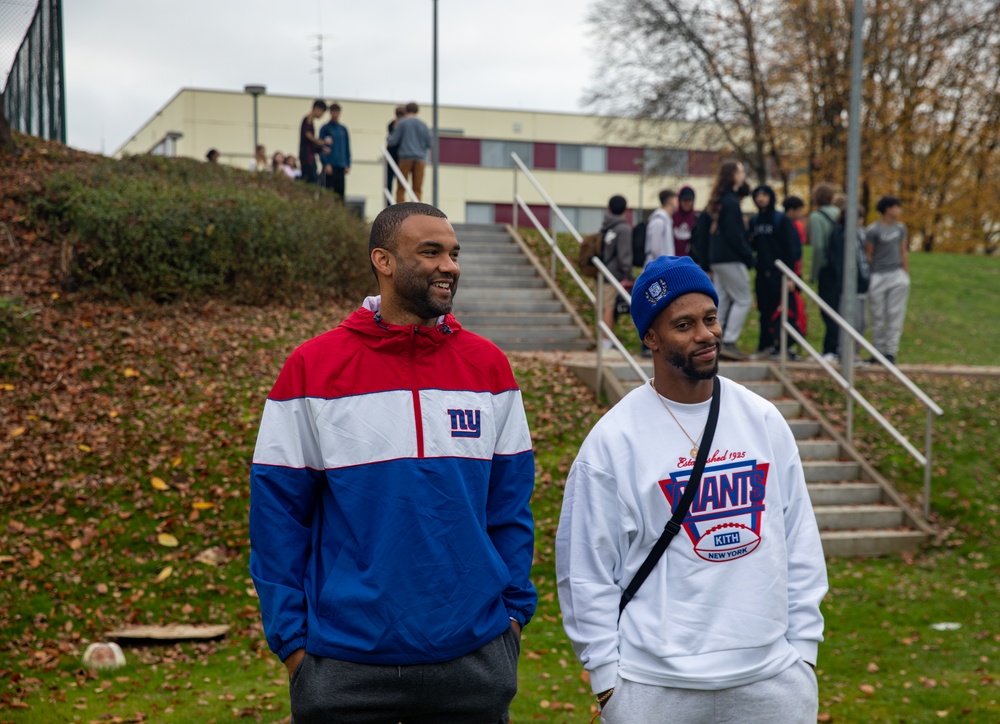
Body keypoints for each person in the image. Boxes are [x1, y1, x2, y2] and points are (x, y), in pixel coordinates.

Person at [249, 202, 537, 723]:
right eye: (430, 252)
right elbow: (277, 519)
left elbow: (511, 508)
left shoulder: (488, 366)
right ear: (382, 260)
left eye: (453, 253)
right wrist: (293, 646)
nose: (449, 265)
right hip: (343, 665)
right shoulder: (312, 368)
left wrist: (512, 619)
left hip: (474, 660)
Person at [556, 255, 828, 724]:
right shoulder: (614, 440)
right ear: (651, 337)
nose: (705, 334)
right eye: (684, 324)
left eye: (710, 318)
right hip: (655, 689)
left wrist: (802, 651)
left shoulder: (763, 421)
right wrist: (606, 681)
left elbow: (799, 538)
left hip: (770, 683)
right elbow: (585, 569)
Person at [705, 160, 753, 360]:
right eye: (740, 172)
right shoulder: (731, 201)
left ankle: (715, 338)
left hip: (718, 258)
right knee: (744, 299)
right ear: (733, 175)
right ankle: (729, 340)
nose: (743, 175)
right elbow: (735, 234)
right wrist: (748, 256)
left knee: (722, 300)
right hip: (729, 257)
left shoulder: (722, 200)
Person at [749, 185, 801, 358]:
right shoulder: (755, 221)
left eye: (764, 194)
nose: (760, 198)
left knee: (781, 311)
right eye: (757, 195)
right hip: (762, 274)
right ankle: (765, 346)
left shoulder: (781, 219)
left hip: (779, 274)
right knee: (764, 311)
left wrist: (790, 276)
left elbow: (789, 249)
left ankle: (783, 347)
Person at [865, 196, 909, 365]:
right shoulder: (873, 230)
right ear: (888, 209)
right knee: (877, 315)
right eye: (896, 207)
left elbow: (903, 250)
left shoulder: (900, 228)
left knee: (895, 314)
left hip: (896, 275)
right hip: (878, 275)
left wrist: (905, 274)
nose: (899, 210)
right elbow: (869, 254)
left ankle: (891, 351)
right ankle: (878, 350)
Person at [808, 183, 843, 361]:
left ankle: (830, 349)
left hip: (827, 269)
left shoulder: (816, 216)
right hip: (842, 268)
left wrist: (813, 273)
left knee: (828, 310)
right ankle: (836, 348)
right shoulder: (839, 212)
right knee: (838, 308)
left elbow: (819, 247)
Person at [598, 195, 633, 349]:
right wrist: (629, 274)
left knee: (603, 307)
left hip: (602, 271)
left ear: (609, 209)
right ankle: (606, 342)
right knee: (609, 307)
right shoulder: (623, 228)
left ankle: (603, 340)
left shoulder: (606, 226)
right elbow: (624, 255)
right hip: (613, 275)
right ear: (625, 210)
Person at [387, 102, 432, 203]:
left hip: (405, 157)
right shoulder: (423, 124)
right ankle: (416, 209)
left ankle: (400, 209)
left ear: (406, 110)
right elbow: (429, 143)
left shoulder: (402, 123)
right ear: (417, 111)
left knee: (401, 187)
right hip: (420, 159)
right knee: (417, 188)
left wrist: (389, 136)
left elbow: (393, 141)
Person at [319, 103, 351, 201]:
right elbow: (321, 147)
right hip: (330, 166)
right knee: (328, 193)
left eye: (337, 112)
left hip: (341, 166)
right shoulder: (325, 128)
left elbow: (347, 147)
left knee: (340, 194)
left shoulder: (343, 129)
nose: (335, 114)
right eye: (333, 112)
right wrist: (326, 163)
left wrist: (347, 163)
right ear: (330, 113)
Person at [298, 99, 330, 186]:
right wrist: (323, 142)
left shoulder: (310, 121)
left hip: (309, 157)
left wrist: (320, 149)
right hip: (307, 158)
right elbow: (310, 137)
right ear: (317, 109)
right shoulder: (307, 120)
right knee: (311, 183)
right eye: (322, 112)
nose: (321, 115)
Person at [645, 189, 678, 263]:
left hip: (664, 266)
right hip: (658, 268)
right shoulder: (658, 221)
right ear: (671, 201)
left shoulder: (667, 221)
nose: (678, 203)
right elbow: (655, 249)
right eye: (676, 200)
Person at [385, 105, 406, 203]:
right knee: (389, 182)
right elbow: (392, 139)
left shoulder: (405, 126)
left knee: (401, 182)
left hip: (402, 157)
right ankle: (388, 204)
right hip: (391, 156)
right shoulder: (391, 125)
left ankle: (399, 203)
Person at [672, 186, 698, 259]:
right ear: (680, 201)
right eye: (684, 200)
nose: (687, 203)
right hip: (673, 259)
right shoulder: (672, 218)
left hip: (690, 261)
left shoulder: (696, 219)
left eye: (689, 200)